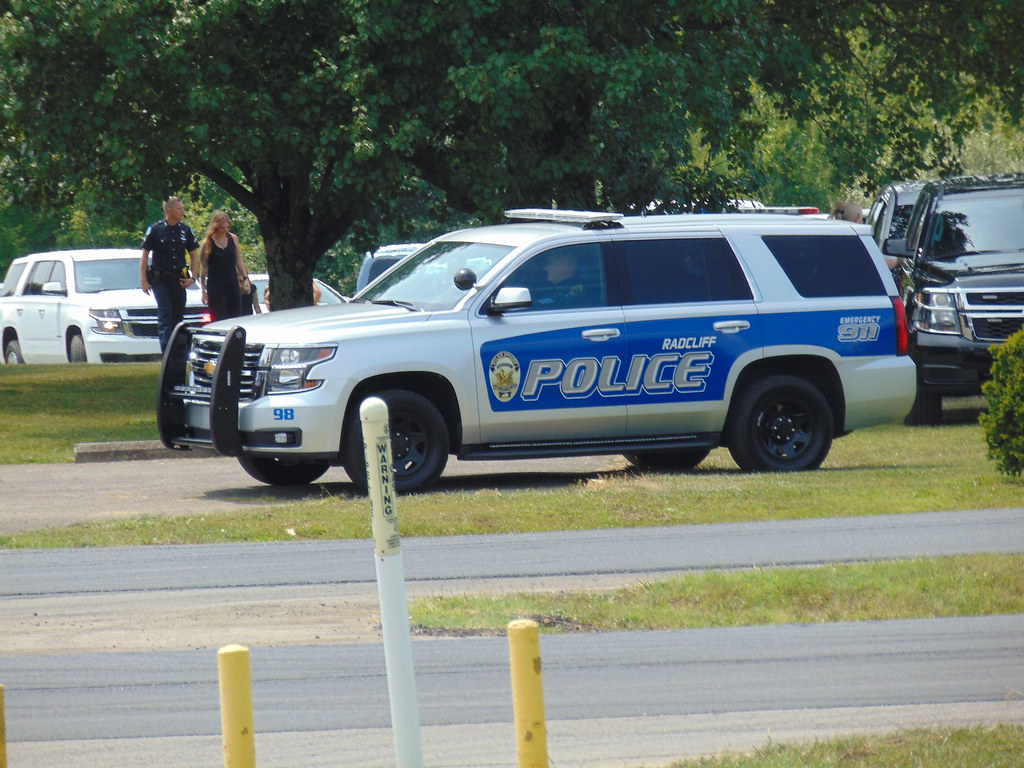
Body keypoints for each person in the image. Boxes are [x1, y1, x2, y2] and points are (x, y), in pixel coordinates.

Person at [140, 196, 200, 351]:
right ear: (169, 210)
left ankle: (179, 349)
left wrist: (192, 278)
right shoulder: (156, 229)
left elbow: (193, 255)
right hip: (160, 278)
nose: (182, 211)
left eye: (182, 208)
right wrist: (143, 280)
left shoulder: (185, 230)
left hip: (179, 278)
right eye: (179, 208)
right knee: (165, 313)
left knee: (178, 314)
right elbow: (145, 254)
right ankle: (166, 350)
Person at [199, 211, 250, 322]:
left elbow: (239, 261)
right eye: (222, 228)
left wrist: (245, 278)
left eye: (227, 227)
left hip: (232, 283)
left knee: (235, 316)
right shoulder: (208, 242)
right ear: (216, 227)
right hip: (215, 286)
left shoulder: (233, 239)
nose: (225, 230)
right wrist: (203, 292)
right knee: (219, 317)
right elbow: (203, 269)